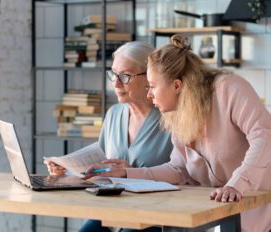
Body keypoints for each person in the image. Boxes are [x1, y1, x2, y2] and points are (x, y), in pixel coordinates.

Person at [84, 34, 271, 232]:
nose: (149, 95)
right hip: (223, 212)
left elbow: (264, 136)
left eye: (152, 86)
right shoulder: (177, 114)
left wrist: (236, 184)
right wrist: (126, 174)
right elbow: (178, 169)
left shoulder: (228, 89)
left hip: (260, 204)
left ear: (176, 85)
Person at [44, 41, 173, 232]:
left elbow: (185, 174)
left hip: (155, 217)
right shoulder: (114, 114)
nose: (116, 82)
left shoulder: (170, 118)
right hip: (112, 213)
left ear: (149, 77)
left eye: (125, 76)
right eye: (113, 74)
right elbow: (100, 169)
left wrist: (134, 173)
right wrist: (67, 172)